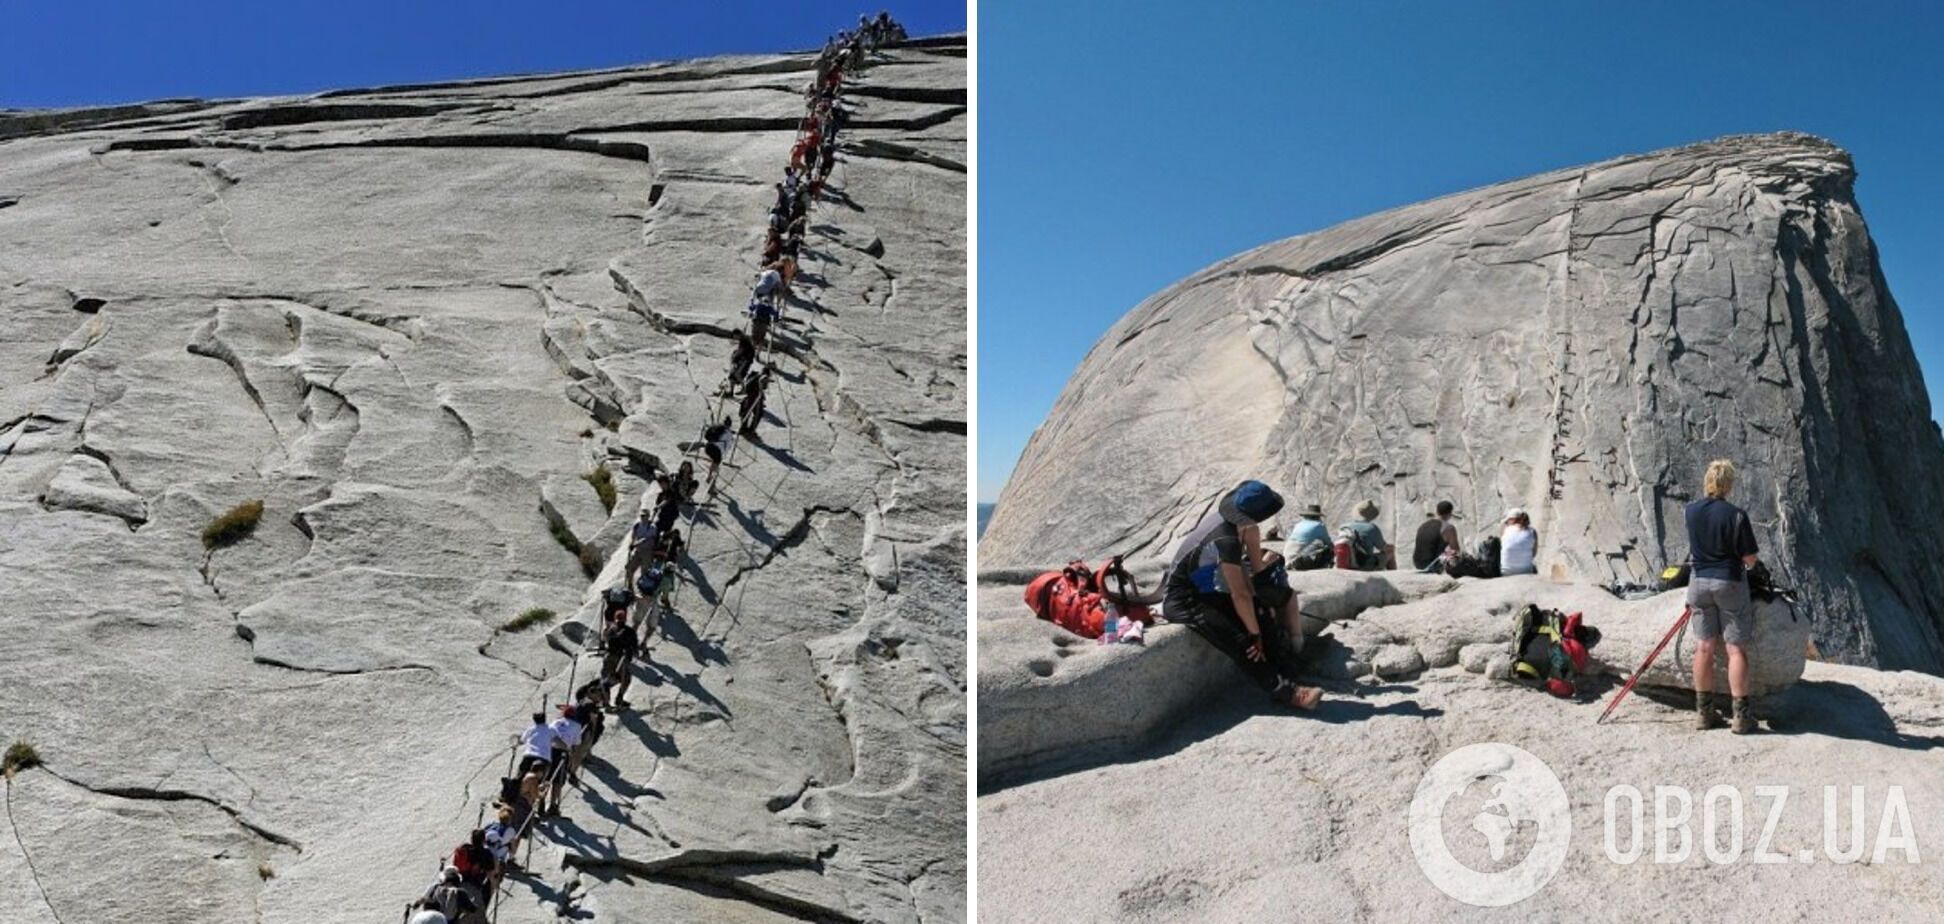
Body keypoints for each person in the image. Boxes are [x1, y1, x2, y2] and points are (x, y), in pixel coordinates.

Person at [1163, 480, 1323, 710]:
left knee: (1260, 612)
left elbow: (1244, 583)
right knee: (1242, 640)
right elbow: (1239, 594)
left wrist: (1258, 612)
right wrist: (1253, 634)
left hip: (1205, 592)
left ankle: (1289, 672)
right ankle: (1284, 692)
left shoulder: (1233, 525)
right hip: (1183, 600)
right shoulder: (1225, 538)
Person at [1685, 460, 1761, 734]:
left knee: (1704, 646)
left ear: (1707, 481)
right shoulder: (1736, 515)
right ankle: (1741, 716)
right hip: (1728, 582)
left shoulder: (1690, 511)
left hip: (1698, 582)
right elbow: (1750, 559)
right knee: (1734, 649)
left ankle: (1703, 714)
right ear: (1728, 484)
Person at [600, 609, 640, 709]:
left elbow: (606, 640)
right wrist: (635, 652)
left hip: (608, 656)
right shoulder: (629, 631)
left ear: (615, 618)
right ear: (625, 619)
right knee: (625, 679)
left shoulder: (610, 629)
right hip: (621, 658)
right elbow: (634, 646)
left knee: (607, 677)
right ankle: (619, 699)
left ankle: (605, 701)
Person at [1339, 500, 1395, 570]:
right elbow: (1383, 548)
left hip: (1348, 562)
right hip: (1364, 563)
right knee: (1390, 551)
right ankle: (1393, 576)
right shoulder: (1372, 528)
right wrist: (1391, 547)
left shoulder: (1343, 527)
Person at [1412, 501, 1462, 570]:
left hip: (1417, 564)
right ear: (1450, 514)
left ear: (1437, 512)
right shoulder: (1448, 528)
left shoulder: (1423, 525)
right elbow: (1455, 550)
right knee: (1455, 555)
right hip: (1431, 564)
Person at [1282, 502, 1333, 570]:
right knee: (1323, 547)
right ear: (1318, 516)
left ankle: (1291, 563)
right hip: (1298, 559)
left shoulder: (1299, 524)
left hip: (1287, 555)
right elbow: (1328, 543)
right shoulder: (1319, 525)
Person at [515, 712, 558, 778]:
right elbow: (557, 738)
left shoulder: (530, 729)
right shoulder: (551, 729)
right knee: (544, 779)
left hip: (529, 755)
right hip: (544, 757)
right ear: (544, 719)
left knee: (519, 776)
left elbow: (522, 740)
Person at [1500, 508, 1538, 575]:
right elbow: (1534, 553)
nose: (1507, 524)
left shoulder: (1505, 530)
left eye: (1507, 522)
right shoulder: (1532, 531)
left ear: (1512, 519)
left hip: (1506, 572)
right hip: (1526, 571)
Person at [702, 417, 734, 494]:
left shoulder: (717, 428)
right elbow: (728, 446)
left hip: (708, 447)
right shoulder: (728, 434)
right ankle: (712, 487)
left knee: (713, 463)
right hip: (717, 450)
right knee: (716, 468)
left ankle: (709, 477)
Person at [483, 804, 519, 871]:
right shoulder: (510, 830)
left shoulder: (491, 824)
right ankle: (507, 862)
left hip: (485, 850)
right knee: (509, 845)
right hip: (496, 853)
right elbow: (513, 850)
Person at [738, 368, 770, 438]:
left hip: (750, 397)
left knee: (746, 412)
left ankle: (744, 428)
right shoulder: (760, 378)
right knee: (757, 414)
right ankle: (750, 430)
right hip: (754, 398)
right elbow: (762, 384)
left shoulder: (754, 375)